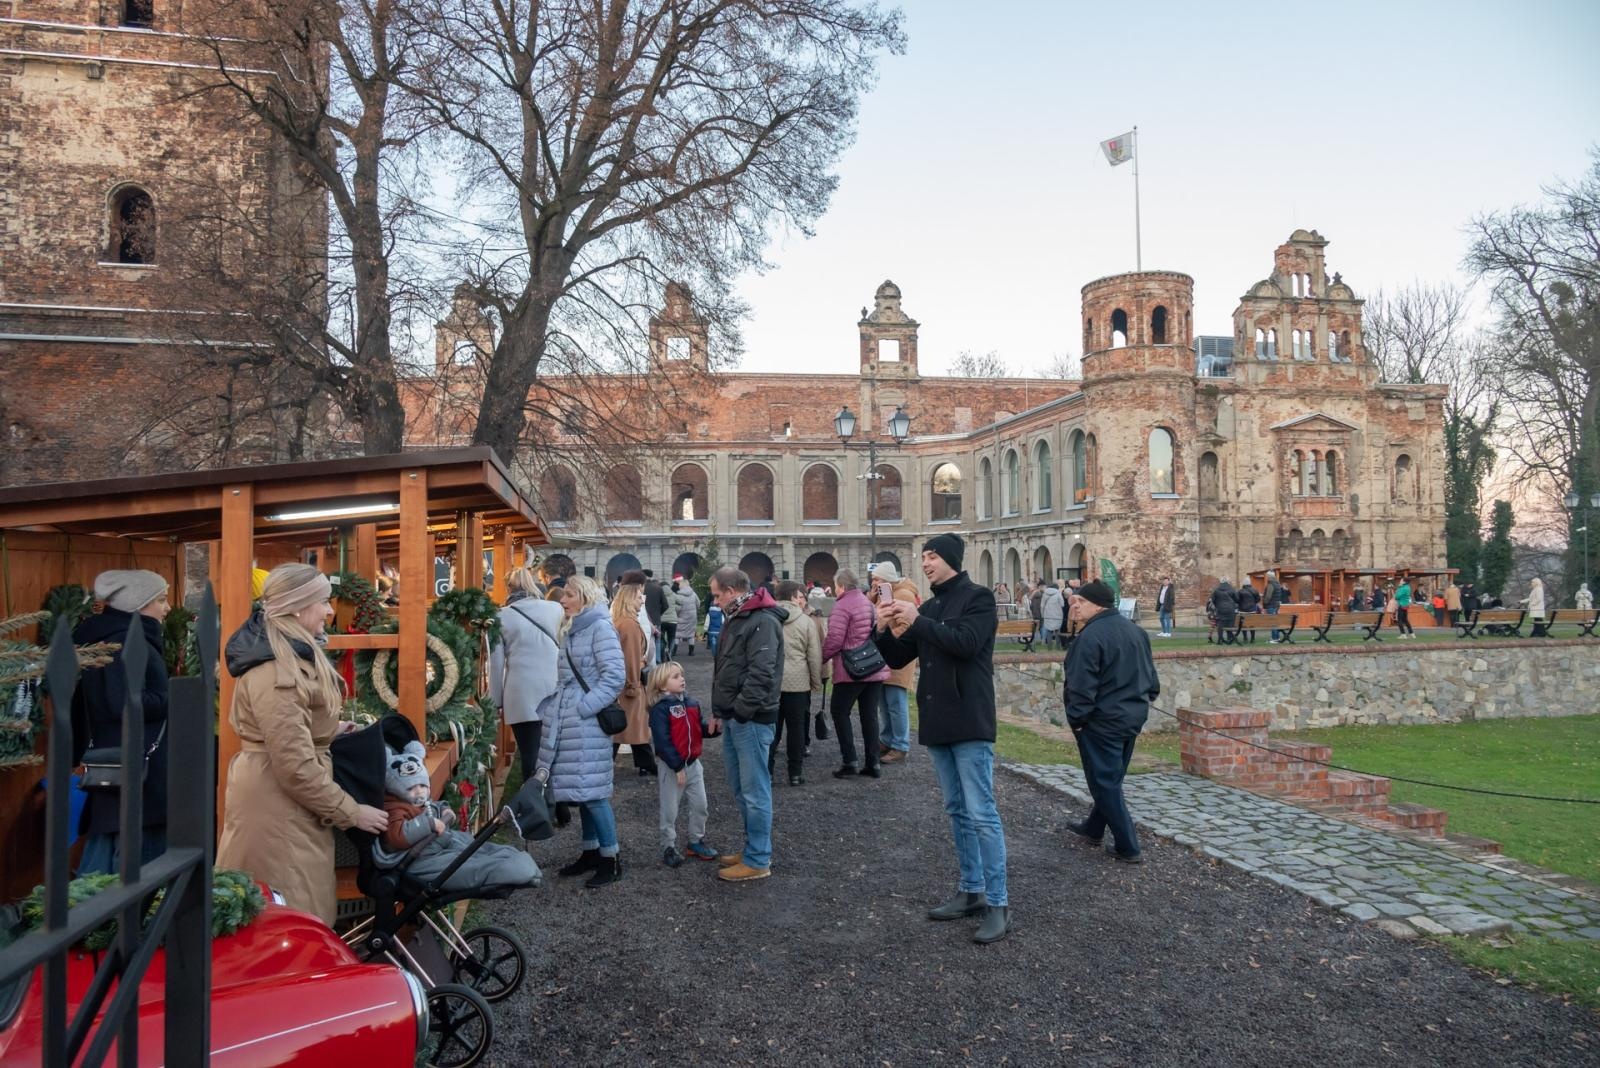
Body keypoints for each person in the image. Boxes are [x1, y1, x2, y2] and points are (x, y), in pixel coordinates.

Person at [217, 564, 388, 923]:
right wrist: (353, 812)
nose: (330, 611)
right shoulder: (278, 672)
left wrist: (327, 730)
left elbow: (289, 734)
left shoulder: (289, 658)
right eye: (324, 602)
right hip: (278, 813)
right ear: (297, 607)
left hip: (283, 806)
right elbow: (293, 766)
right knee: (290, 919)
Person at [874, 533, 1009, 943]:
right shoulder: (929, 606)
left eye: (932, 556)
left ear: (950, 558)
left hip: (969, 719)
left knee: (982, 812)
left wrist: (917, 619)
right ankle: (971, 891)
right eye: (924, 556)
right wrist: (882, 629)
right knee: (956, 810)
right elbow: (899, 657)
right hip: (938, 720)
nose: (926, 563)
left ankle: (998, 902)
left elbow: (966, 644)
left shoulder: (978, 598)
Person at [72, 569, 172, 874]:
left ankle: (93, 918)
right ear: (138, 604)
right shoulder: (126, 642)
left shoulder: (110, 638)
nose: (167, 607)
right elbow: (123, 703)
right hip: (139, 768)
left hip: (119, 763)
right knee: (135, 865)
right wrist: (176, 697)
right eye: (161, 599)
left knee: (108, 851)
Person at [538, 575, 628, 888]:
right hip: (574, 720)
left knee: (595, 795)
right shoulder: (576, 626)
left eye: (570, 595)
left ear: (585, 597)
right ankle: (592, 852)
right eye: (563, 595)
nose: (563, 600)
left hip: (586, 722)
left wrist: (584, 706)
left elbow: (615, 676)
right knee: (583, 791)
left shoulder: (599, 627)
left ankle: (612, 859)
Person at [1061, 580, 1159, 864]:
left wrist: (1077, 720)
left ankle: (1128, 846)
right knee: (1111, 778)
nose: (1075, 607)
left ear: (1096, 605)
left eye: (1079, 602)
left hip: (1102, 721)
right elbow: (1151, 679)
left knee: (1104, 782)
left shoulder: (1090, 638)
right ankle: (1093, 828)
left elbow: (1081, 686)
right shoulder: (1136, 632)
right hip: (1131, 716)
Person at [376, 739, 539, 887]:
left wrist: (444, 808)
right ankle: (515, 869)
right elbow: (396, 836)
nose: (419, 792)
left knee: (473, 846)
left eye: (422, 786)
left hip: (435, 844)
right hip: (416, 858)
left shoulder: (413, 799)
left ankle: (515, 860)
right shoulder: (394, 808)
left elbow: (431, 806)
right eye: (411, 788)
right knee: (466, 865)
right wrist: (429, 824)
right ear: (394, 788)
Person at [708, 566, 784, 883]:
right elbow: (727, 667)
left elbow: (761, 673)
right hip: (738, 717)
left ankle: (757, 858)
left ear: (731, 591)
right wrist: (722, 710)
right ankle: (754, 848)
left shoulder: (761, 620)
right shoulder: (742, 617)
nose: (714, 601)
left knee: (755, 792)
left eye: (715, 594)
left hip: (751, 719)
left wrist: (740, 710)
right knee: (743, 789)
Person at [489, 566, 563, 786]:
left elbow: (496, 663)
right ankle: (559, 806)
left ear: (508, 588)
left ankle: (534, 809)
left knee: (529, 752)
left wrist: (495, 700)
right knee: (553, 749)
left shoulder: (500, 616)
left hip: (520, 691)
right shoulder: (554, 609)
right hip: (553, 685)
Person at [646, 662, 719, 867]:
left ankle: (695, 840)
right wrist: (677, 766)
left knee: (701, 805)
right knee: (670, 810)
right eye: (676, 676)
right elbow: (662, 740)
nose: (682, 679)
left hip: (694, 765)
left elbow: (697, 730)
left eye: (682, 675)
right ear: (662, 685)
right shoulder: (660, 709)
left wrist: (713, 729)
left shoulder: (692, 703)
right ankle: (668, 846)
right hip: (672, 768)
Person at [820, 568, 888, 779]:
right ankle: (873, 762)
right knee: (870, 715)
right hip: (873, 666)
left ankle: (850, 760)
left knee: (840, 712)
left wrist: (820, 658)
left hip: (851, 668)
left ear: (840, 585)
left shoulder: (842, 606)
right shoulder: (867, 602)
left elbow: (834, 639)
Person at [867, 562, 920, 766]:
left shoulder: (904, 595)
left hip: (899, 658)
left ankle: (900, 745)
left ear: (888, 579)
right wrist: (872, 596)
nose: (874, 582)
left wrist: (886, 638)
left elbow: (907, 627)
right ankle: (887, 739)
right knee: (884, 702)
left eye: (878, 579)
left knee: (896, 703)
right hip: (883, 656)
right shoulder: (884, 593)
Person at [771, 580, 822, 785]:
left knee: (772, 728)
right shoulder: (805, 621)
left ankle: (767, 770)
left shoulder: (768, 618)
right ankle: (795, 772)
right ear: (793, 596)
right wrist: (815, 681)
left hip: (773, 682)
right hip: (798, 682)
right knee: (797, 728)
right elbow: (814, 656)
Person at [609, 579, 655, 776]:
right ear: (629, 599)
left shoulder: (622, 621)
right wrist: (634, 684)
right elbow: (631, 658)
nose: (642, 601)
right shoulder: (628, 624)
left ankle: (645, 762)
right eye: (638, 597)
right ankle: (646, 763)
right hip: (630, 684)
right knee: (634, 726)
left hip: (625, 683)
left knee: (629, 728)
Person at [643, 571, 671, 665]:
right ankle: (658, 660)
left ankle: (647, 661)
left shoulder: (640, 588)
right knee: (657, 641)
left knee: (645, 640)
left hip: (643, 619)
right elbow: (666, 605)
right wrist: (658, 613)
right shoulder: (658, 588)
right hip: (656, 619)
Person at [673, 579, 700, 656]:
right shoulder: (693, 594)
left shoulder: (678, 595)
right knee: (691, 634)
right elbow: (698, 604)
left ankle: (674, 651)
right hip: (692, 617)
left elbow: (676, 608)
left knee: (677, 634)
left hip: (681, 616)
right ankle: (691, 651)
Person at [1262, 570, 1285, 643]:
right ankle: (1276, 637)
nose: (1266, 577)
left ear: (1269, 576)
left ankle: (1274, 638)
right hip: (1276, 605)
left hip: (1271, 605)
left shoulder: (1270, 584)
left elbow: (1268, 596)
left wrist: (1264, 604)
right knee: (1275, 622)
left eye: (1267, 576)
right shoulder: (1277, 584)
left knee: (1273, 622)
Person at [1040, 581, 1065, 647]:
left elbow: (1042, 605)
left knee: (1049, 630)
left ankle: (1049, 646)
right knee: (1057, 630)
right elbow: (1062, 604)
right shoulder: (1058, 594)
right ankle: (1057, 646)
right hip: (1057, 614)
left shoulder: (1045, 594)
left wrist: (1042, 614)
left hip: (1047, 614)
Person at [1235, 577, 1260, 643]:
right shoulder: (1254, 590)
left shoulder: (1240, 591)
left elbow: (1237, 600)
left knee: (1243, 625)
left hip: (1242, 610)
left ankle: (1245, 638)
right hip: (1252, 610)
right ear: (1249, 583)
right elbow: (1258, 599)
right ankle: (1252, 638)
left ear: (1243, 584)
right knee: (1252, 624)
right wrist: (1253, 602)